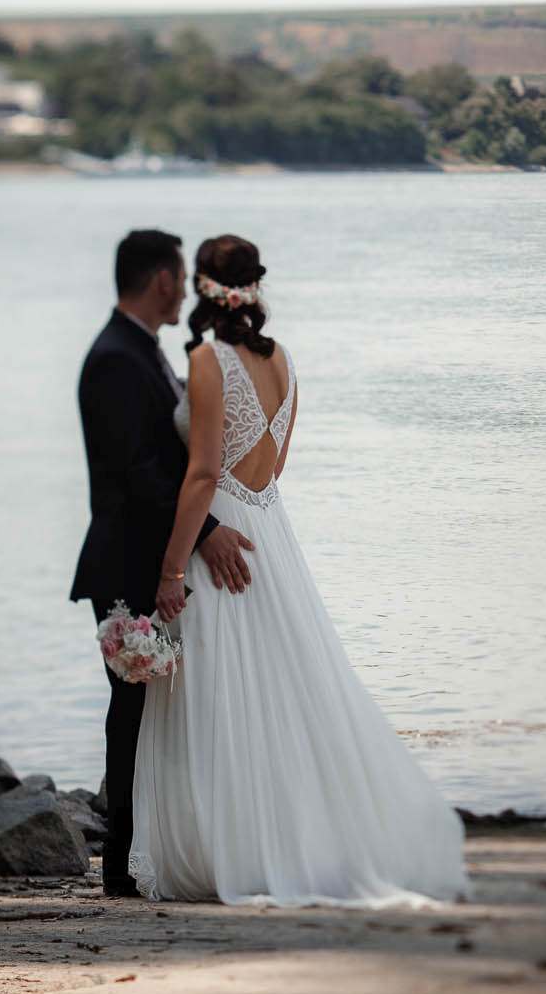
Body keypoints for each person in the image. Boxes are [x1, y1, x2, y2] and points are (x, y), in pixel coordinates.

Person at [127, 234, 469, 907]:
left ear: (202, 287)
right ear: (254, 288)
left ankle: (232, 845)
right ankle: (285, 836)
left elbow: (200, 475)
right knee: (280, 692)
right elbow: (275, 465)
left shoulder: (206, 359)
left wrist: (172, 569)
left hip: (219, 536)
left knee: (222, 693)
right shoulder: (282, 360)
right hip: (270, 531)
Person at [70, 229, 257, 898]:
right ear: (159, 280)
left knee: (151, 706)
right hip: (125, 562)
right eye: (179, 277)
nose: (185, 289)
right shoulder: (116, 358)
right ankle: (119, 864)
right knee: (131, 706)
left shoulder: (141, 350)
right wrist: (205, 530)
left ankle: (149, 846)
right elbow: (140, 472)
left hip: (148, 555)